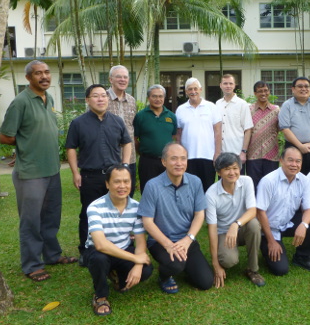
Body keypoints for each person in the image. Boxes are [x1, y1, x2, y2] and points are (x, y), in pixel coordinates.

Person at [0, 60, 76, 282]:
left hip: (52, 169)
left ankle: (52, 255)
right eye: (38, 73)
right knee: (31, 220)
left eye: (46, 72)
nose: (44, 76)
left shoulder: (48, 98)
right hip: (31, 172)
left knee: (51, 217)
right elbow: (6, 135)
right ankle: (32, 265)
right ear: (28, 78)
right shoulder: (20, 102)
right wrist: (26, 144)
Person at [66, 84, 132, 259]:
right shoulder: (78, 123)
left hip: (114, 176)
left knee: (118, 210)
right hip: (90, 175)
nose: (101, 99)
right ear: (88, 100)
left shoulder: (117, 121)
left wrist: (125, 165)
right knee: (88, 212)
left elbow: (127, 142)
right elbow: (71, 148)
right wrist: (75, 173)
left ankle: (120, 244)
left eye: (103, 95)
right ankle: (85, 250)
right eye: (96, 96)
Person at [138, 143, 214, 293]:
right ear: (164, 162)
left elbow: (199, 214)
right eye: (173, 159)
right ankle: (164, 275)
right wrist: (168, 245)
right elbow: (147, 221)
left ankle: (183, 265)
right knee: (176, 265)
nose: (179, 163)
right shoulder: (152, 186)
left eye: (183, 159)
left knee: (205, 282)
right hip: (161, 241)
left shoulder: (195, 182)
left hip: (186, 240)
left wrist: (188, 239)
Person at [83, 165, 153, 316]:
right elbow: (101, 244)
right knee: (99, 260)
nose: (122, 186)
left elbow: (140, 241)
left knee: (146, 270)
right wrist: (135, 258)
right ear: (107, 184)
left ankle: (116, 277)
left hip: (123, 248)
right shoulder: (95, 207)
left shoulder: (136, 207)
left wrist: (139, 264)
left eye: (126, 181)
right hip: (98, 251)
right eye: (117, 182)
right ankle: (100, 296)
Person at [256, 147, 310, 276]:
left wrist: (303, 225)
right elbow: (260, 212)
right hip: (268, 228)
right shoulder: (268, 181)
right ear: (281, 160)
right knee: (280, 269)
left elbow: (309, 209)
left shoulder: (304, 180)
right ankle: (266, 247)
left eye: (298, 161)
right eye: (290, 160)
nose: (294, 165)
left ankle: (302, 257)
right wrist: (271, 241)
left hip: (288, 222)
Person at [206, 153, 265, 288]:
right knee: (228, 261)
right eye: (227, 169)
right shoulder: (211, 194)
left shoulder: (247, 181)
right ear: (219, 173)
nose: (232, 172)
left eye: (235, 168)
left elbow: (252, 211)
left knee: (254, 224)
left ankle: (253, 269)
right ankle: (227, 255)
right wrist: (215, 265)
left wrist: (236, 224)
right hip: (223, 233)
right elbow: (212, 229)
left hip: (242, 227)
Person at [176, 77, 222, 191]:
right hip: (188, 157)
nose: (193, 91)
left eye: (195, 88)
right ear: (186, 92)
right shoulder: (181, 110)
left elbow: (218, 132)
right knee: (189, 189)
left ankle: (207, 210)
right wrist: (180, 156)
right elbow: (178, 135)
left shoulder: (211, 107)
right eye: (190, 89)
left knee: (208, 189)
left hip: (208, 156)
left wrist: (217, 153)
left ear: (200, 89)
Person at [279, 77, 310, 175]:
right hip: (293, 148)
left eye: (306, 86)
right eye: (300, 86)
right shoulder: (287, 105)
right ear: (293, 89)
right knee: (293, 177)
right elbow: (285, 128)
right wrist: (300, 146)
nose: (304, 89)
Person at [134, 84, 177, 193]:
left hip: (167, 161)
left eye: (160, 96)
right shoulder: (140, 116)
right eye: (154, 96)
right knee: (148, 191)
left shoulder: (171, 116)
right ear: (149, 98)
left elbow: (172, 136)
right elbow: (135, 139)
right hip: (147, 161)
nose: (158, 99)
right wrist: (145, 151)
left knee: (168, 191)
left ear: (164, 98)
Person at [106, 65, 137, 196]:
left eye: (125, 77)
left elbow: (132, 127)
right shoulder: (102, 99)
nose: (122, 80)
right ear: (110, 79)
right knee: (108, 196)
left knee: (128, 195)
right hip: (108, 158)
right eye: (119, 76)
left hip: (130, 158)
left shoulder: (131, 100)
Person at [216, 74, 253, 170]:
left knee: (237, 182)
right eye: (225, 83)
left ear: (234, 85)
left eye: (230, 83)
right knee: (223, 181)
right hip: (222, 153)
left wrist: (243, 152)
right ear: (220, 85)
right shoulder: (218, 104)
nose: (228, 86)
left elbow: (248, 129)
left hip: (237, 152)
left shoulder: (242, 104)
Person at [247, 81, 280, 189]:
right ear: (255, 93)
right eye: (260, 91)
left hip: (272, 154)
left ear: (269, 92)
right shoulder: (249, 110)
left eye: (265, 91)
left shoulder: (276, 110)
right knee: (254, 185)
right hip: (253, 154)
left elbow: (281, 129)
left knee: (271, 185)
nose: (263, 93)